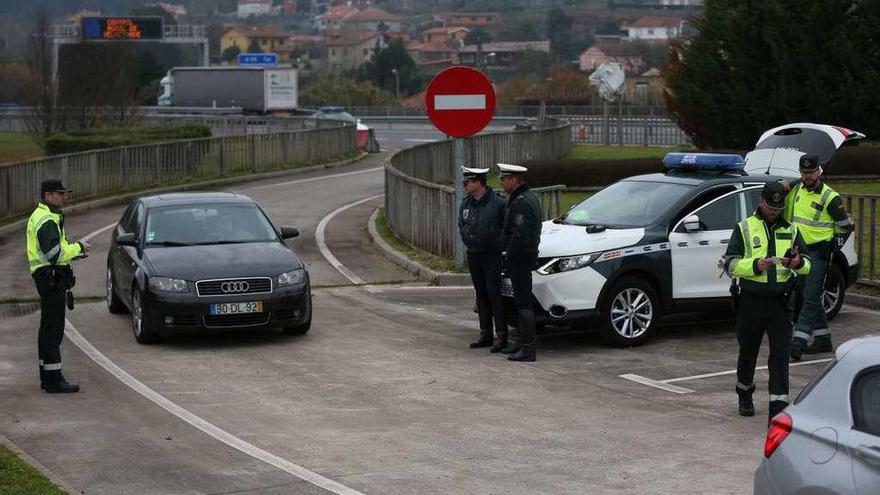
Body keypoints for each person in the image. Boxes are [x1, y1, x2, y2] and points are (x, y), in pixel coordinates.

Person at [722, 181, 810, 421]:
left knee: (780, 354)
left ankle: (778, 406)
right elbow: (729, 263)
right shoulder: (744, 228)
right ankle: (745, 392)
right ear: (761, 201)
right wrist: (754, 265)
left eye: (778, 208)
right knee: (748, 350)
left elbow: (807, 264)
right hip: (751, 299)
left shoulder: (791, 230)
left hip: (781, 302)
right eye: (770, 206)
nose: (774, 211)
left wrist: (797, 263)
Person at [785, 154, 854, 361]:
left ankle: (798, 341)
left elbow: (845, 227)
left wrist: (834, 246)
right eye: (804, 173)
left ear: (819, 171)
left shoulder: (830, 197)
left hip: (819, 252)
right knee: (804, 293)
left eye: (811, 172)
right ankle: (823, 339)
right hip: (799, 251)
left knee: (810, 296)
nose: (808, 176)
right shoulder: (796, 190)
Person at [26, 180, 91, 393]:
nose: (64, 197)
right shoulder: (46, 220)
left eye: (64, 193)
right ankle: (54, 381)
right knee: (53, 330)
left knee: (48, 329)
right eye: (59, 194)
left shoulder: (47, 216)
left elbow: (57, 251)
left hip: (48, 277)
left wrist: (75, 253)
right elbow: (55, 255)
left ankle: (48, 377)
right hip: (51, 279)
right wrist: (79, 247)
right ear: (48, 195)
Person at [458, 166, 508, 352]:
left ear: (478, 183)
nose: (464, 185)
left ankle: (501, 335)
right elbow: (462, 224)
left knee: (494, 294)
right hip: (474, 253)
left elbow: (506, 226)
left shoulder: (497, 203)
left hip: (491, 254)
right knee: (481, 295)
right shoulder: (467, 203)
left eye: (467, 182)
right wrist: (469, 240)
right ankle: (485, 334)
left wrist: (497, 243)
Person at [498, 163, 542, 362]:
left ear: (514, 180)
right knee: (519, 302)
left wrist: (508, 254)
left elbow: (519, 234)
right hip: (522, 258)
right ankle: (521, 343)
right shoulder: (522, 198)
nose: (502, 182)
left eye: (504, 178)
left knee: (524, 303)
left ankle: (528, 348)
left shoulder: (522, 202)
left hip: (520, 259)